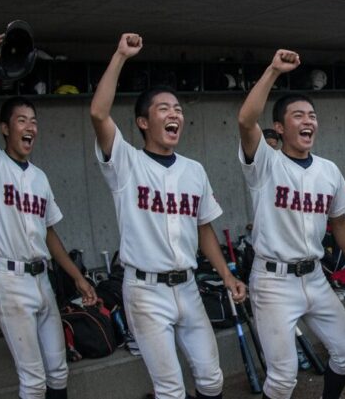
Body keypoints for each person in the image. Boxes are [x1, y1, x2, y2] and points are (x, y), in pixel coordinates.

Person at [90, 33, 246, 399]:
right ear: (143, 122)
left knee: (211, 379)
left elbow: (204, 228)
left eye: (178, 108)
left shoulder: (194, 170)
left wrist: (227, 276)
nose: (175, 113)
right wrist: (119, 56)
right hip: (145, 290)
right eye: (163, 108)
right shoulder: (126, 163)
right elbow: (98, 113)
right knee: (170, 389)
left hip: (188, 286)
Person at [237, 49, 345, 399]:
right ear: (280, 128)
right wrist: (272, 70)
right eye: (298, 115)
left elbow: (340, 223)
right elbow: (245, 121)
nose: (308, 120)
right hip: (272, 281)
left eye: (311, 115)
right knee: (283, 379)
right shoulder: (266, 164)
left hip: (314, 277)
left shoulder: (328, 169)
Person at [0, 33, 96, 399]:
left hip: (42, 280)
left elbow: (50, 235)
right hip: (10, 281)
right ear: (6, 129)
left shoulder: (39, 177)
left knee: (58, 372)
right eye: (22, 121)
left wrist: (77, 278)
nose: (30, 127)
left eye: (34, 121)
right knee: (33, 380)